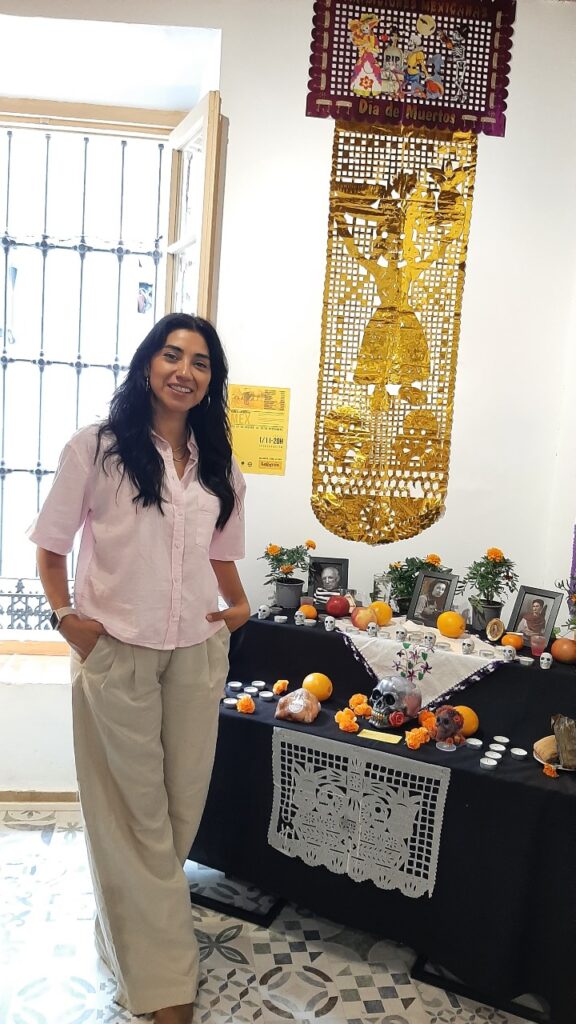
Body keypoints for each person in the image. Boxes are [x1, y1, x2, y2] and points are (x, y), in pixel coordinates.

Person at [27, 313, 249, 1024]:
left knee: (178, 811)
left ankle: (122, 937)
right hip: (115, 647)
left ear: (212, 379)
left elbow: (221, 547)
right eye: (171, 354)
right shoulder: (96, 448)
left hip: (193, 651)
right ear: (147, 363)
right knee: (135, 819)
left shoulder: (218, 460)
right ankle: (163, 985)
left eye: (201, 362)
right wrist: (70, 621)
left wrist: (238, 606)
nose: (185, 370)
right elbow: (51, 545)